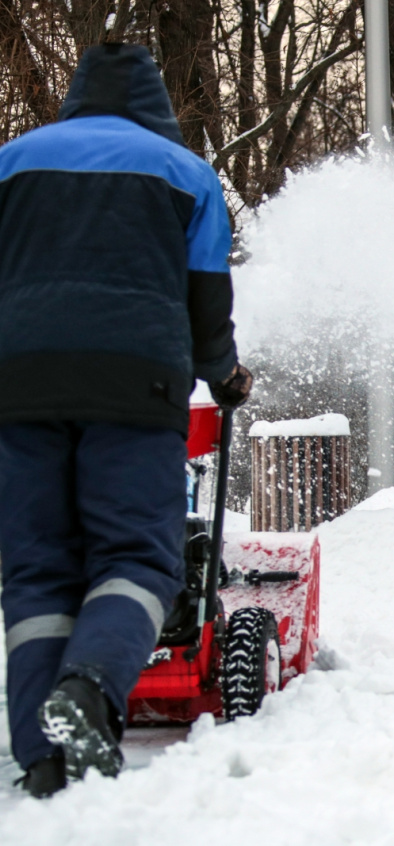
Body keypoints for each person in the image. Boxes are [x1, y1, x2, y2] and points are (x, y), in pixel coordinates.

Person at [0, 43, 253, 798]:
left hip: (18, 388)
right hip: (135, 389)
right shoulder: (185, 172)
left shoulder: (10, 162)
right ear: (155, 106)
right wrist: (223, 373)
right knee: (138, 557)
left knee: (37, 567)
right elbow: (207, 295)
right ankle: (89, 685)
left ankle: (43, 761)